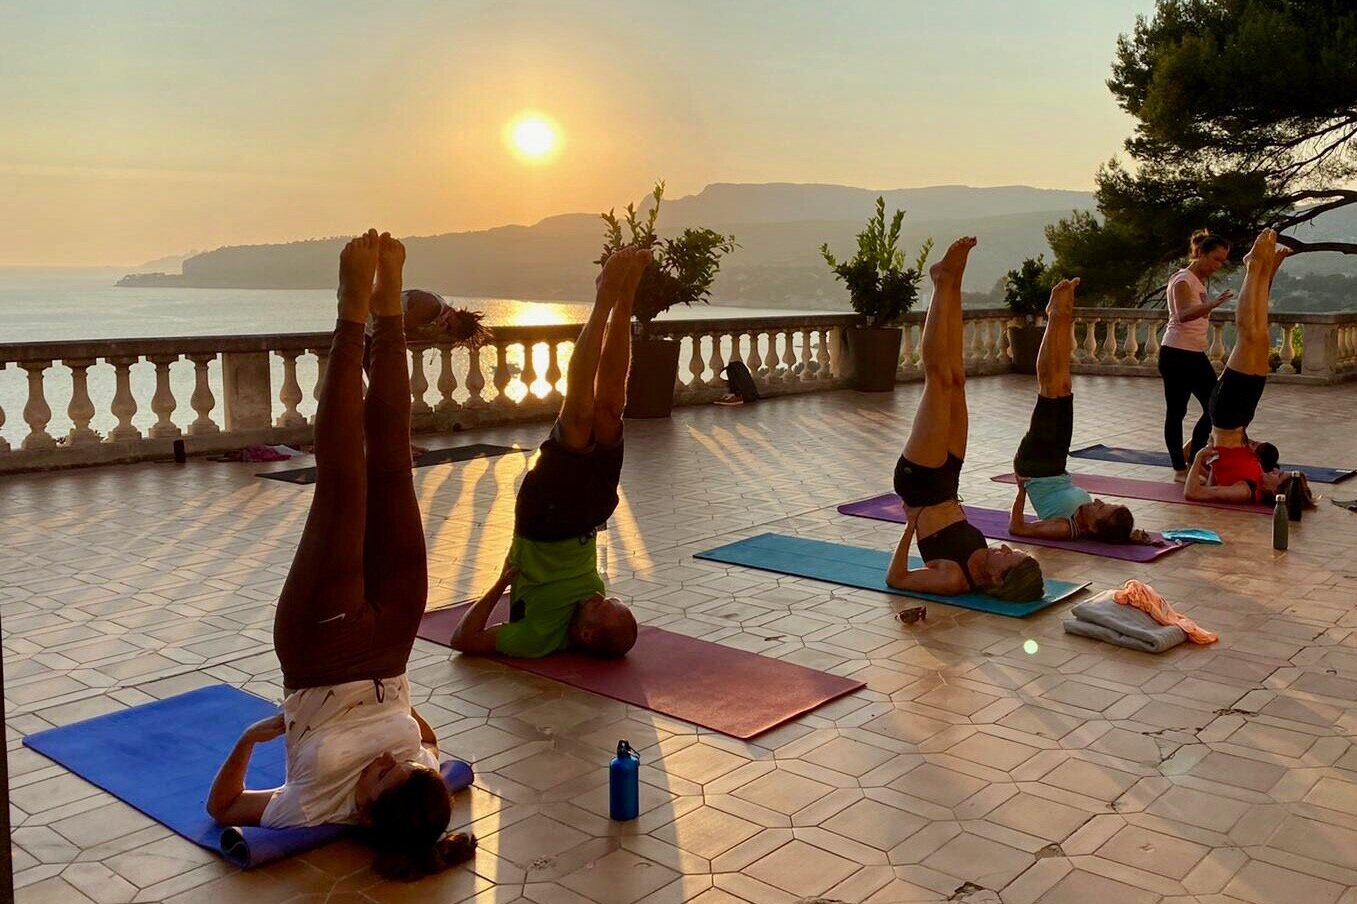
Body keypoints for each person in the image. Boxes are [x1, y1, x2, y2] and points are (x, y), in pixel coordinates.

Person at [206, 231, 474, 881]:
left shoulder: (313, 805)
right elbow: (432, 746)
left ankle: (351, 311)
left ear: (366, 815)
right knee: (392, 464)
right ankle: (388, 313)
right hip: (393, 641)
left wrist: (255, 736)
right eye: (399, 764)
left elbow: (222, 809)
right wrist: (406, 717)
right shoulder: (421, 778)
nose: (388, 761)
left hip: (319, 654)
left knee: (343, 477)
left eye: (378, 777)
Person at [449, 246, 652, 658]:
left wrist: (500, 586)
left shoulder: (539, 636)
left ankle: (603, 298)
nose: (598, 595)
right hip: (592, 515)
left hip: (545, 521)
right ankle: (624, 297)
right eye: (606, 599)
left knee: (578, 419)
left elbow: (463, 640)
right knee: (611, 410)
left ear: (588, 636)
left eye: (600, 606)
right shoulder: (591, 599)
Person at [885, 237, 1045, 602]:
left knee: (938, 379)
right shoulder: (986, 559)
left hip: (920, 484)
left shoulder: (955, 580)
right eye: (1011, 551)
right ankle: (953, 282)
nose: (1003, 549)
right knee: (956, 377)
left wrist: (909, 529)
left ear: (996, 582)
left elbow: (896, 579)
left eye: (1006, 560)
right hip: (948, 479)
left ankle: (942, 283)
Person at [1009, 276, 1145, 544]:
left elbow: (1018, 529)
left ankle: (1054, 315)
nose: (1098, 501)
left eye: (1101, 508)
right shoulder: (1089, 517)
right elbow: (1124, 535)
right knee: (1063, 385)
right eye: (1105, 503)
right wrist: (1135, 537)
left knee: (1049, 387)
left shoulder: (1066, 527)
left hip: (1034, 465)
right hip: (1057, 463)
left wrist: (1022, 490)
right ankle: (1061, 316)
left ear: (1093, 528)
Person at [1184, 229, 1311, 506]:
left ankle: (1254, 267)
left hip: (1227, 413)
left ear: (1276, 492)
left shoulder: (1245, 490)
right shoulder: (1258, 473)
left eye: (1280, 476)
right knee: (1261, 334)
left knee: (1248, 334)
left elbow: (1193, 493)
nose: (1276, 471)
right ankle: (1264, 272)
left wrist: (1198, 459)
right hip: (1240, 415)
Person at [1159, 231, 1234, 480]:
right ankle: (1180, 468)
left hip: (1194, 353)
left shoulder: (1199, 283)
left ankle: (1192, 456)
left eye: (1222, 261)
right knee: (1177, 411)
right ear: (1200, 253)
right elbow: (1182, 314)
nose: (1218, 265)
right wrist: (1212, 304)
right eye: (1215, 259)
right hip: (1176, 353)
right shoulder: (1182, 279)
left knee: (1216, 407)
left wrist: (1210, 303)